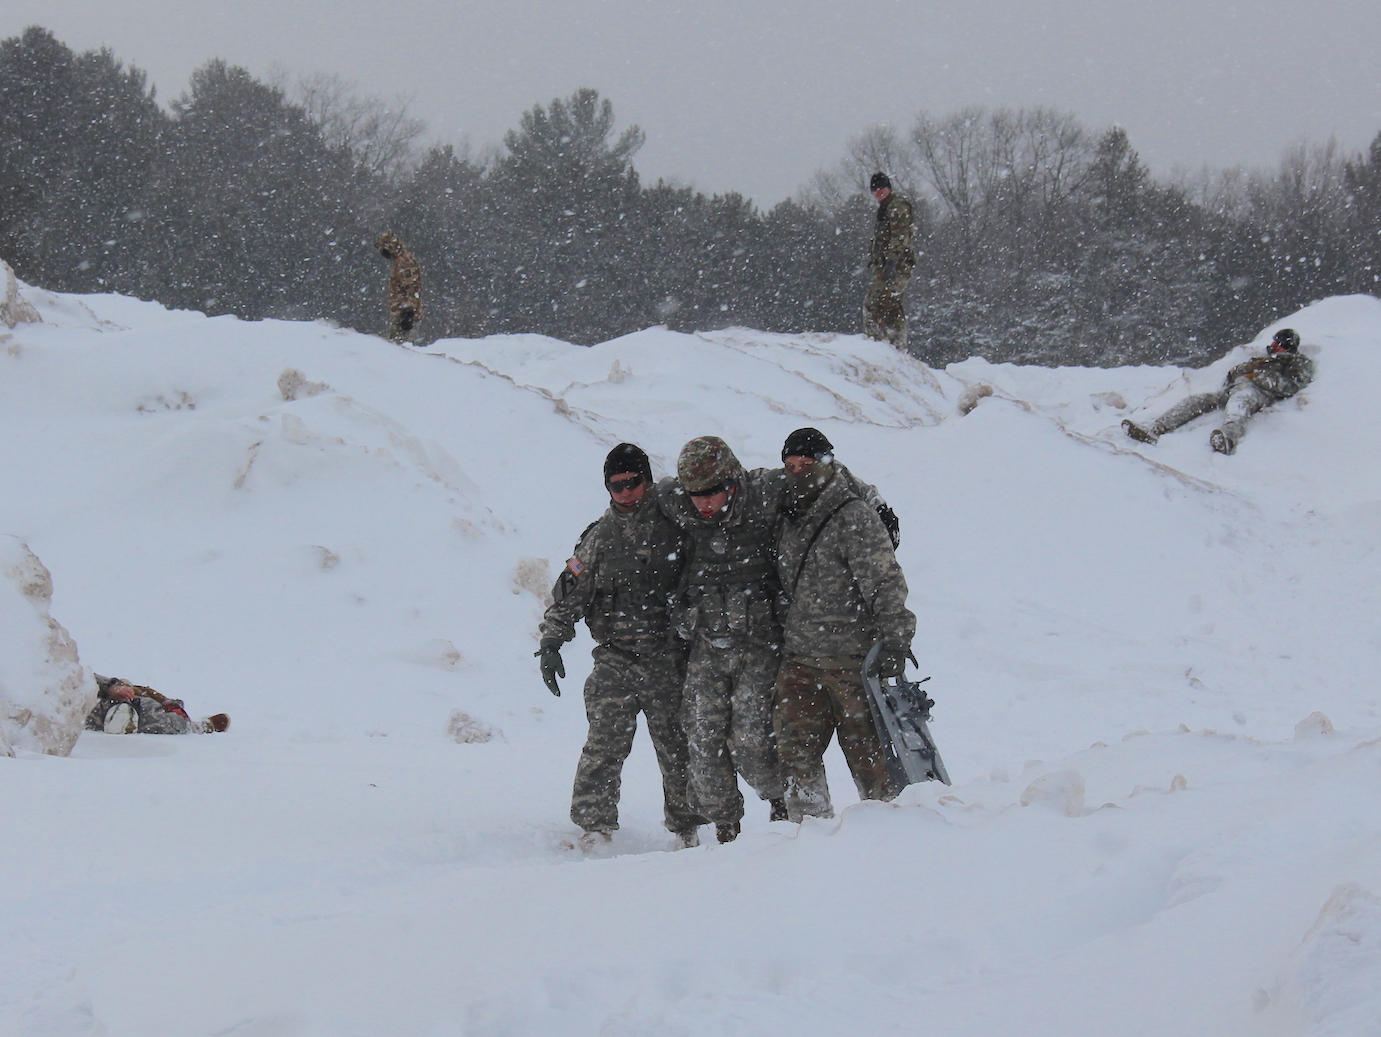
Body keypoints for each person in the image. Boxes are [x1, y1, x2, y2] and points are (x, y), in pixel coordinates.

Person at [537, 443, 703, 850]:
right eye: (616, 486)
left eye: (632, 483)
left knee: (678, 748)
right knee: (603, 747)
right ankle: (595, 827)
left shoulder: (676, 524)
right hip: (616, 659)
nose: (625, 493)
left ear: (646, 481)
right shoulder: (598, 538)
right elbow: (571, 593)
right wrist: (552, 638)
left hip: (668, 657)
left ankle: (686, 830)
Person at [772, 428, 916, 822]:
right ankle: (808, 838)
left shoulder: (853, 515)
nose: (798, 473)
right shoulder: (786, 515)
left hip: (853, 664)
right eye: (790, 466)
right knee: (796, 761)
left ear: (826, 463)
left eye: (807, 464)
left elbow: (884, 580)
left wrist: (896, 639)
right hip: (800, 662)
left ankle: (889, 838)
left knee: (873, 766)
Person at [656, 436, 788, 843]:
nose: (704, 503)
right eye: (696, 494)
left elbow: (826, 480)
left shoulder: (763, 492)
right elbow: (634, 505)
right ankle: (725, 831)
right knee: (701, 738)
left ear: (731, 481)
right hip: (707, 645)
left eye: (713, 493)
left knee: (751, 738)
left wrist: (878, 509)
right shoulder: (675, 500)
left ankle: (780, 800)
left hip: (759, 644)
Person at [1122, 328, 1315, 455]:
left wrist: (1258, 378)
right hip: (1235, 387)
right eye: (1274, 341)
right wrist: (1243, 372)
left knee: (1240, 402)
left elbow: (1291, 385)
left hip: (1259, 393)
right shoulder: (1263, 360)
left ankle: (1228, 438)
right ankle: (1156, 428)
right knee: (1197, 400)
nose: (1273, 345)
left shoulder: (1296, 361)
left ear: (1288, 346)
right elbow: (1234, 372)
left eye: (1278, 343)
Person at [863, 172, 916, 347]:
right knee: (889, 304)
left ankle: (882, 343)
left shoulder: (896, 206)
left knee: (879, 302)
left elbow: (900, 236)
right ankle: (891, 344)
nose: (878, 191)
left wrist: (892, 261)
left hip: (896, 265)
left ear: (889, 188)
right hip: (885, 266)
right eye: (874, 189)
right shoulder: (886, 207)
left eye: (881, 187)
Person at [84, 674, 229, 735]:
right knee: (147, 711)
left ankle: (191, 725)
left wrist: (112, 687)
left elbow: (84, 676)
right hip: (92, 713)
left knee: (136, 696)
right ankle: (196, 727)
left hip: (87, 712)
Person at [375, 231, 423, 344]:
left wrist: (408, 312)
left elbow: (412, 287)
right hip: (401, 312)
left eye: (382, 247)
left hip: (404, 314)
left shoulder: (404, 263)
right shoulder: (400, 261)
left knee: (399, 348)